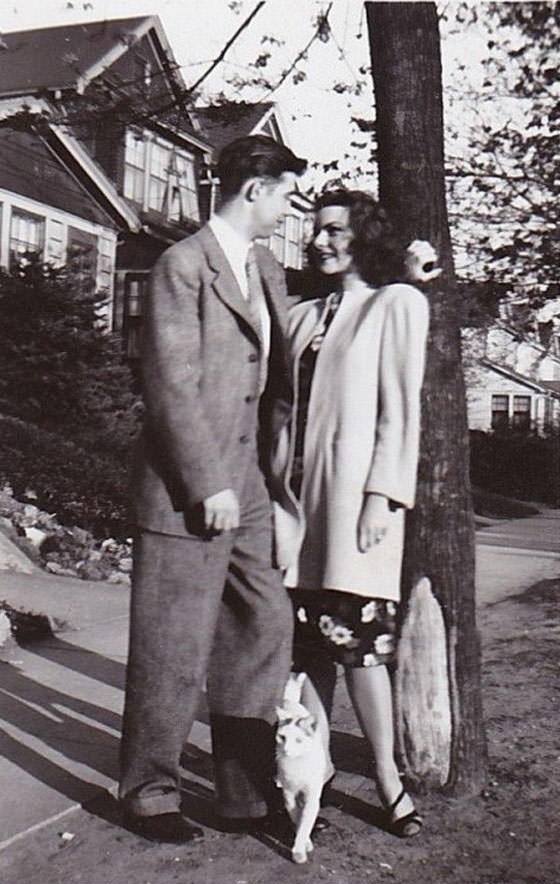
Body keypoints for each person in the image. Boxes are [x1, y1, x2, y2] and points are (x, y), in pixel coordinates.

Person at [119, 135, 307, 843]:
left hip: (252, 482)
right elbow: (170, 384)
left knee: (263, 623)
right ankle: (148, 793)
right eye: (286, 192)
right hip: (187, 487)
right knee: (172, 644)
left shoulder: (263, 266)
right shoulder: (182, 264)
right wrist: (206, 482)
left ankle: (243, 792)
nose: (289, 209)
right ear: (253, 189)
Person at [271, 189, 431, 837]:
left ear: (363, 235)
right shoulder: (304, 316)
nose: (321, 241)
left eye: (335, 229)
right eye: (315, 231)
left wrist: (381, 495)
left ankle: (390, 782)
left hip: (355, 506)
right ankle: (319, 770)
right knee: (307, 648)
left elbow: (401, 410)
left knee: (362, 648)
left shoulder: (396, 305)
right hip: (295, 510)